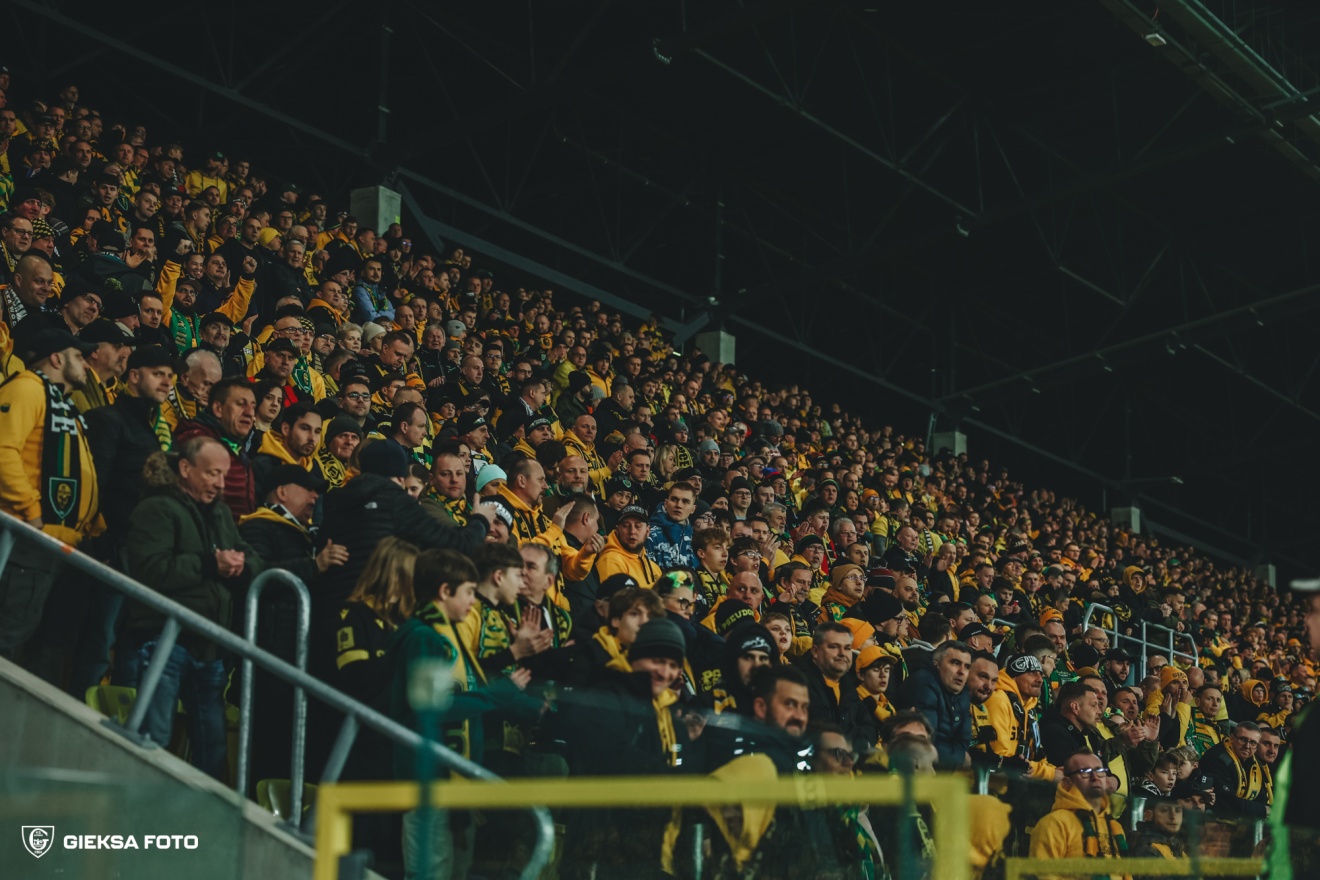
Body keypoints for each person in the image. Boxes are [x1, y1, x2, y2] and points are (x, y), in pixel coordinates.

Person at [388, 548, 540, 880]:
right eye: (469, 592)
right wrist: (497, 693)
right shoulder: (424, 636)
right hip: (429, 781)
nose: (474, 601)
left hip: (452, 782)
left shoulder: (449, 635)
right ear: (445, 591)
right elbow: (431, 708)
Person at [122, 438, 263, 778]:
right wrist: (212, 565)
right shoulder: (155, 509)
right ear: (185, 468)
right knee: (153, 738)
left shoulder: (220, 513)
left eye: (224, 475)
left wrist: (241, 566)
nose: (220, 483)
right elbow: (151, 570)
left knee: (213, 749)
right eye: (212, 473)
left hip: (209, 645)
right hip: (162, 638)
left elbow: (251, 556)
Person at [0, 330, 100, 657]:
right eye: (79, 356)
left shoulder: (62, 405)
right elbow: (3, 450)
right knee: (7, 638)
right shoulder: (27, 388)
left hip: (51, 544)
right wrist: (33, 513)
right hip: (24, 538)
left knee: (23, 640)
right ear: (56, 358)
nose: (87, 364)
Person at [174, 375, 258, 518]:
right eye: (240, 404)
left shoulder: (235, 445)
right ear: (218, 408)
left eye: (253, 406)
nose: (249, 413)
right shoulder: (198, 440)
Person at [1029, 752, 1126, 862]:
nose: (1095, 777)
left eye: (1099, 771)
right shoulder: (1054, 824)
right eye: (1085, 772)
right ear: (1067, 782)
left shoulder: (1115, 827)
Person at [898, 640, 973, 769]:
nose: (962, 671)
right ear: (936, 664)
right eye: (955, 663)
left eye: (967, 667)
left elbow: (964, 741)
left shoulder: (962, 693)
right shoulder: (922, 683)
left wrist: (957, 757)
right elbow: (925, 743)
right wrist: (959, 758)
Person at [1200, 719, 1270, 818]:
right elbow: (1227, 803)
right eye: (1243, 739)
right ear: (1232, 738)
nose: (1247, 746)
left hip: (1241, 817)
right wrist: (1262, 810)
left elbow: (1261, 798)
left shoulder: (1255, 764)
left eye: (1253, 743)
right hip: (1214, 816)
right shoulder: (1216, 758)